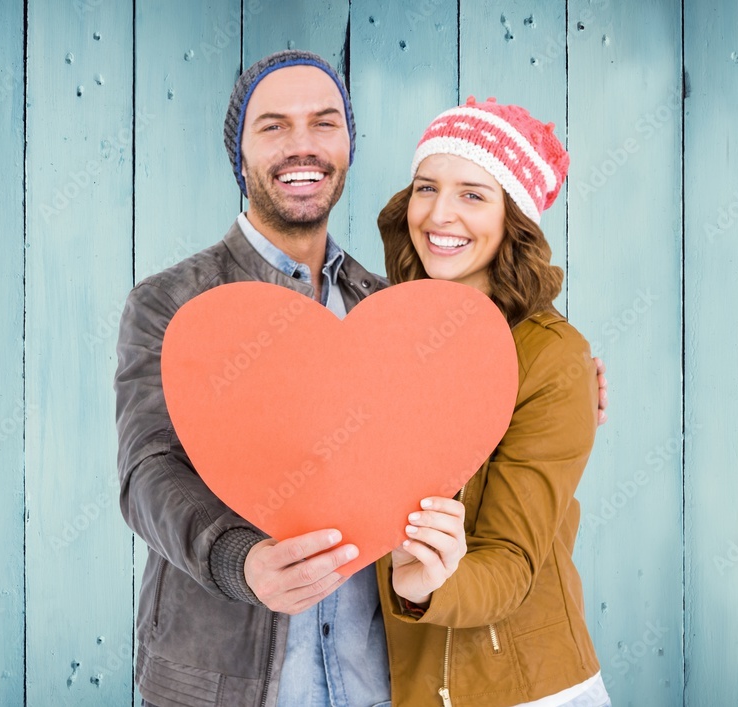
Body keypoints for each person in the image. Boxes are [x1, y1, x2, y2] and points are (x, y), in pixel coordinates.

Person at [116, 50, 607, 707]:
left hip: (379, 683)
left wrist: (566, 379)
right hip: (224, 687)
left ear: (348, 145)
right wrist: (241, 560)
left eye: (324, 123)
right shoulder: (172, 303)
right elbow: (147, 471)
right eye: (272, 126)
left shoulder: (393, 310)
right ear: (239, 153)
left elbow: (483, 399)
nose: (301, 145)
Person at [375, 98, 611, 706]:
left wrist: (426, 585)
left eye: (474, 195)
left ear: (515, 219)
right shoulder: (386, 337)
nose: (440, 214)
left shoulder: (553, 359)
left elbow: (510, 562)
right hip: (406, 687)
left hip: (526, 689)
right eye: (426, 187)